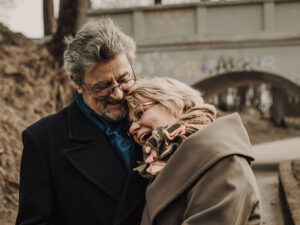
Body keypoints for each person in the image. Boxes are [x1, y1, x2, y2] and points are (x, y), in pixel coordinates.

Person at [16, 18, 148, 225]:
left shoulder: (161, 121)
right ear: (78, 83)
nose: (118, 94)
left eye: (124, 79)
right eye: (102, 86)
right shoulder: (44, 140)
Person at [125, 77, 261, 225]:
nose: (132, 129)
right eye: (130, 124)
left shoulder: (222, 160)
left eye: (139, 114)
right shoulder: (166, 162)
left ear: (175, 105)